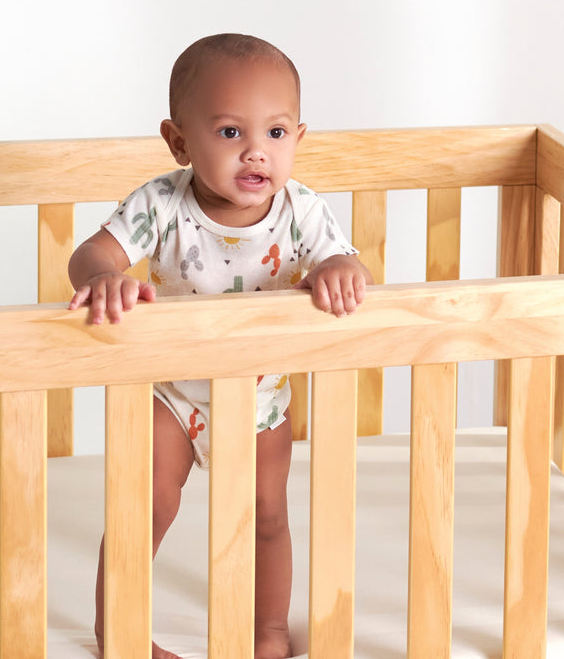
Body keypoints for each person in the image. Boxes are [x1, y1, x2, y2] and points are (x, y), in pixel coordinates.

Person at [68, 33, 373, 659]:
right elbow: (92, 253)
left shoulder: (303, 210)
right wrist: (103, 277)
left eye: (276, 133)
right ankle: (118, 632)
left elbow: (343, 261)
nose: (256, 150)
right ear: (179, 141)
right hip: (175, 397)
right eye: (231, 132)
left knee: (268, 517)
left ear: (298, 138)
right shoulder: (162, 203)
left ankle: (268, 631)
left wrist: (339, 270)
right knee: (142, 508)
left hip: (261, 399)